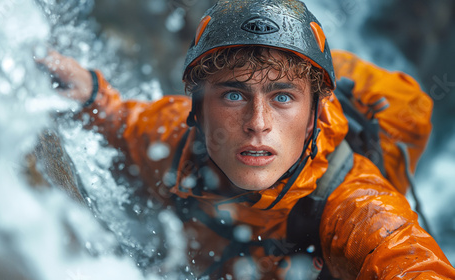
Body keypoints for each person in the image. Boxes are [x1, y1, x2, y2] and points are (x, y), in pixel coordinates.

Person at [41, 0, 455, 279]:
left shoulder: (359, 206)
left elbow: (407, 256)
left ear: (315, 115)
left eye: (283, 97)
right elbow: (119, 122)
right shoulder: (172, 138)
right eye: (234, 94)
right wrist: (92, 95)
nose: (258, 123)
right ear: (198, 110)